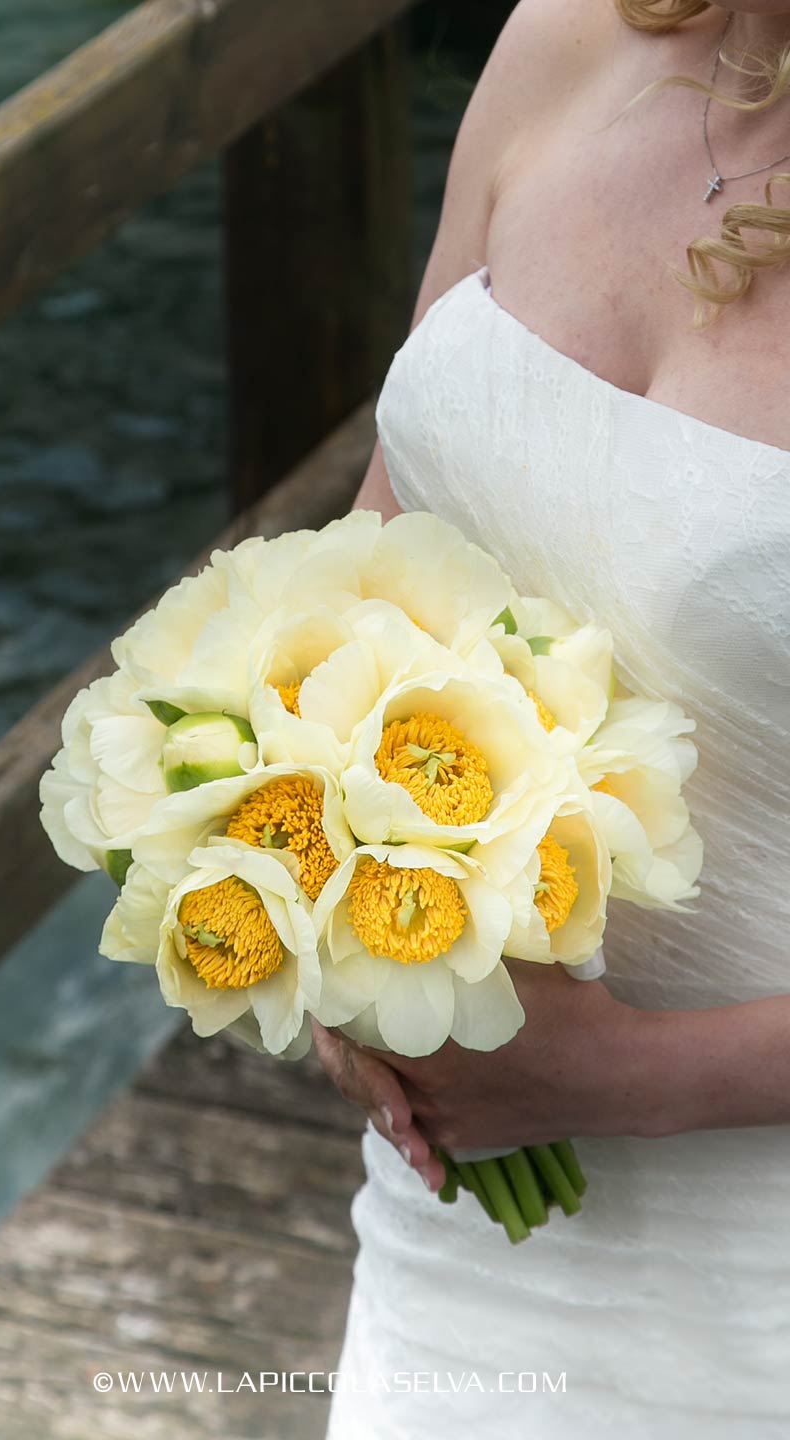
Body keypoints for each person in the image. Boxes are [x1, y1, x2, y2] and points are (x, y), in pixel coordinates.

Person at [313, 2, 790, 1435]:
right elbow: (373, 563)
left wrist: (627, 1079)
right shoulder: (569, 38)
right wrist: (320, 910)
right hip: (451, 1232)